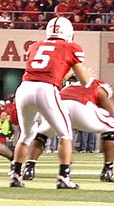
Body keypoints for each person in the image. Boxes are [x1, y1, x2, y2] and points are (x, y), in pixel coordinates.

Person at [9, 17, 92, 189]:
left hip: (24, 88)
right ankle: (63, 177)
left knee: (26, 135)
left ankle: (16, 174)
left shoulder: (35, 46)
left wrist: (64, 74)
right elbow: (85, 81)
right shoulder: (70, 47)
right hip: (46, 89)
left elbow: (46, 67)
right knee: (65, 134)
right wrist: (80, 75)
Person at [20, 78, 114, 183]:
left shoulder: (69, 86)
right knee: (113, 128)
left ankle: (29, 168)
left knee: (42, 133)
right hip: (81, 106)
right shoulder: (98, 85)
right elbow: (111, 110)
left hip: (58, 107)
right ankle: (108, 170)